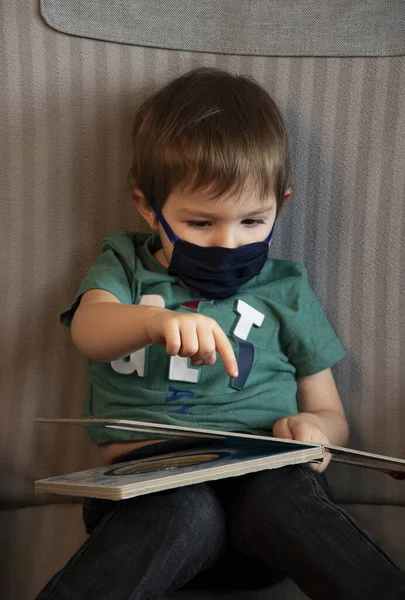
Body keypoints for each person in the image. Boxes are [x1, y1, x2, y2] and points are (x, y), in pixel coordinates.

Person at [35, 68, 405, 600]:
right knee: (182, 511)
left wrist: (317, 435)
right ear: (147, 207)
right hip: (152, 491)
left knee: (286, 500)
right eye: (201, 223)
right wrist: (153, 321)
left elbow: (328, 412)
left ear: (282, 202)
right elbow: (89, 331)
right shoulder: (124, 264)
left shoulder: (287, 288)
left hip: (267, 492)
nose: (229, 244)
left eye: (253, 221)